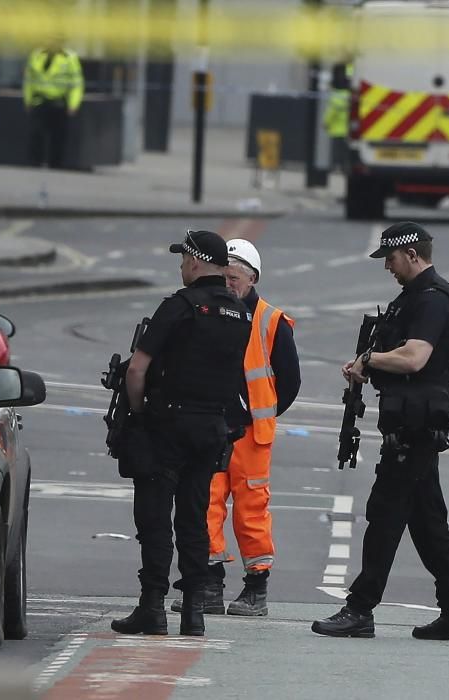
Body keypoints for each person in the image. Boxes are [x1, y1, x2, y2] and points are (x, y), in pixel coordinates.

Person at [312, 221, 449, 641]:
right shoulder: (413, 299)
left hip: (416, 427)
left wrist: (369, 360)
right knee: (427, 522)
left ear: (413, 255)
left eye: (391, 257)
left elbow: (415, 358)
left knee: (385, 513)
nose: (387, 265)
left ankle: (360, 608)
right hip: (409, 423)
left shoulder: (432, 301)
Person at [110, 230, 252, 638]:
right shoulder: (238, 311)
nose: (180, 266)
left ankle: (152, 608)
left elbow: (137, 369)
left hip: (167, 425)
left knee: (155, 518)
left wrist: (137, 413)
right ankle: (194, 612)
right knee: (193, 520)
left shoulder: (179, 306)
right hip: (211, 429)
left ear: (194, 261)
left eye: (183, 259)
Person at [171, 239, 300, 617]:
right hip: (212, 427)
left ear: (253, 278)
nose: (228, 283)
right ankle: (209, 584)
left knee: (251, 510)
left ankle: (255, 589)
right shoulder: (209, 309)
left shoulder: (271, 321)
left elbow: (289, 381)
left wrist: (262, 413)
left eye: (235, 277)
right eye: (224, 275)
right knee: (205, 503)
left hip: (250, 433)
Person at [23, 36, 84, 169]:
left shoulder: (69, 58)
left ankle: (55, 163)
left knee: (58, 135)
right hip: (39, 100)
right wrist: (27, 99)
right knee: (36, 133)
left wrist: (73, 104)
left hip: (59, 102)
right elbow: (29, 80)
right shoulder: (37, 55)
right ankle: (35, 162)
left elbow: (76, 84)